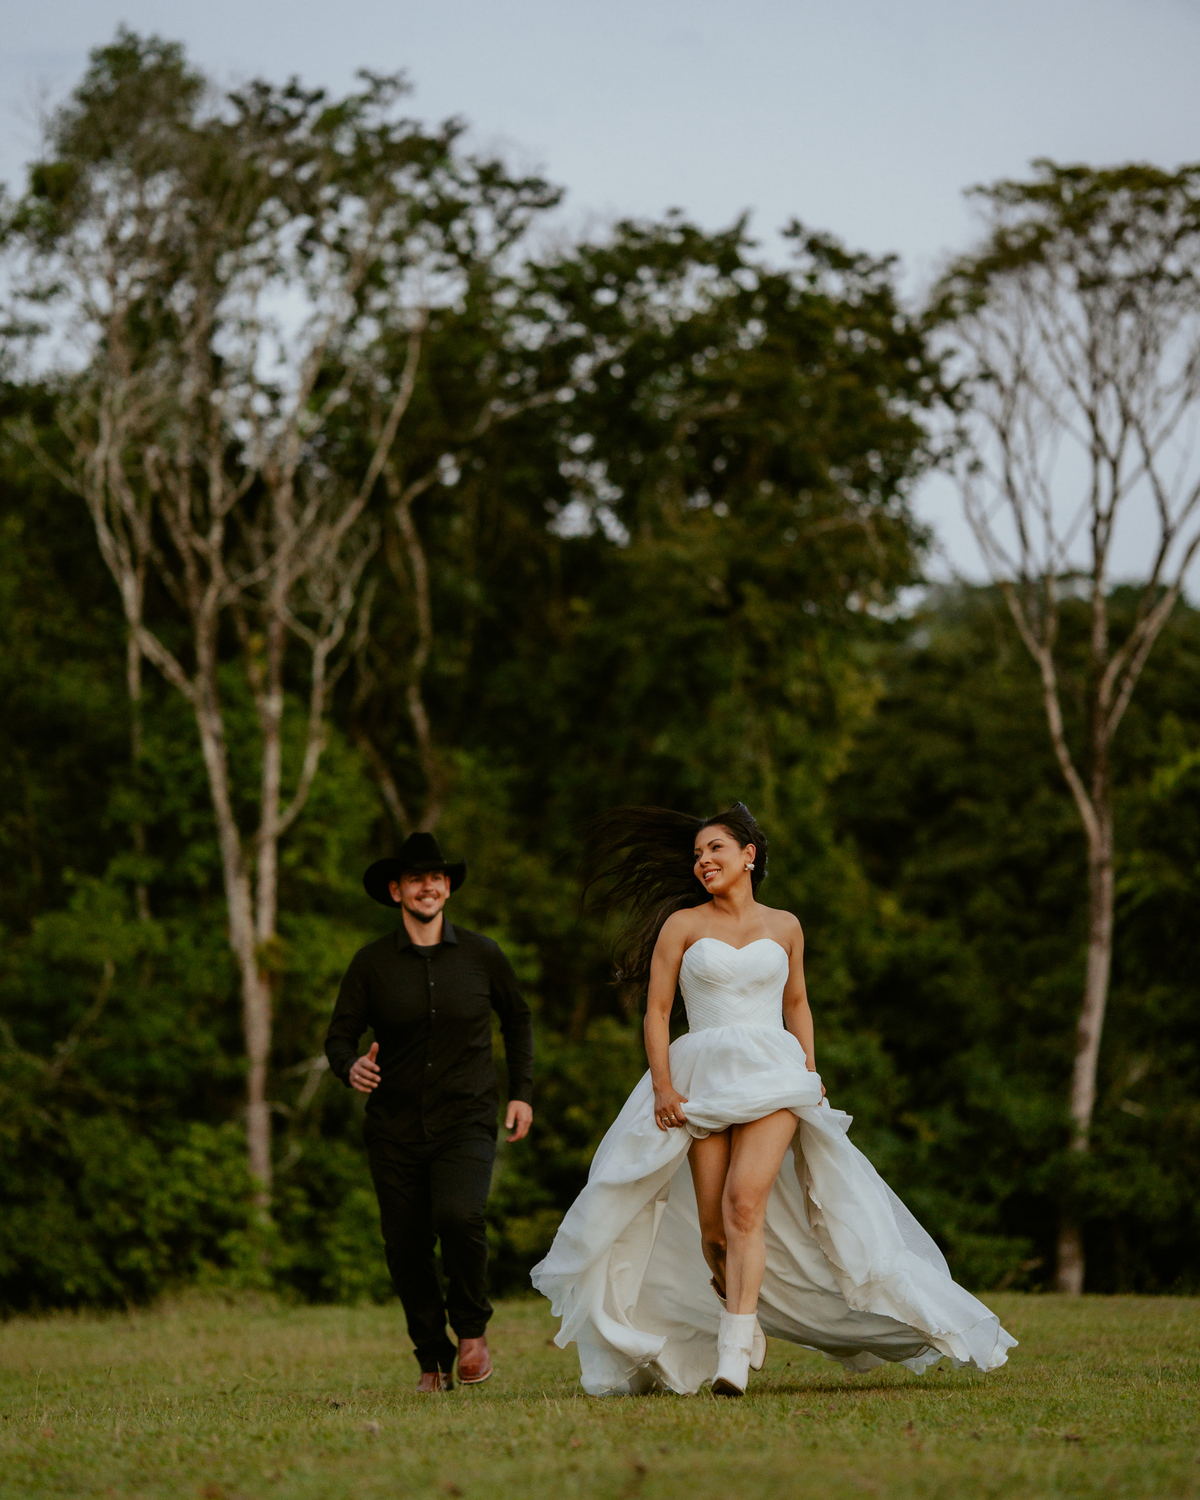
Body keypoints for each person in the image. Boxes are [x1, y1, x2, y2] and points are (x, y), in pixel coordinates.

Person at [532, 803, 1015, 1397]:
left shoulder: (785, 925)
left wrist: (808, 1068)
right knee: (713, 1229)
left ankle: (734, 1347)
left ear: (748, 856)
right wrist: (662, 1084)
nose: (704, 861)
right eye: (698, 854)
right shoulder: (682, 926)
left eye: (715, 849)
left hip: (772, 1075)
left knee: (744, 1204)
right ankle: (741, 1310)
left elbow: (797, 1003)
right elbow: (657, 1012)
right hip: (700, 1078)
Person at [326, 831, 534, 1392]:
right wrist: (350, 1067)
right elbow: (339, 1036)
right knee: (406, 1245)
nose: (428, 886)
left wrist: (522, 1092)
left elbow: (517, 1020)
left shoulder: (482, 955)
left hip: (465, 1117)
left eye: (437, 877)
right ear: (396, 890)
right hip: (393, 1128)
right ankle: (431, 1360)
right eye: (416, 878)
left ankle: (471, 1332)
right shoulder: (371, 964)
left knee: (460, 1217)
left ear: (447, 888)